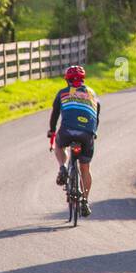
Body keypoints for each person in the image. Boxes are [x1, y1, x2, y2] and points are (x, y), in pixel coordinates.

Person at [48, 65, 100, 217]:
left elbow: (55, 115)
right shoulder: (92, 93)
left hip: (67, 131)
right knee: (85, 168)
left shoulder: (63, 93)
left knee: (59, 145)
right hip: (87, 133)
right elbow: (96, 116)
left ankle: (62, 167)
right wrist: (93, 133)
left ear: (67, 80)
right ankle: (85, 201)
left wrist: (52, 130)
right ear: (83, 79)